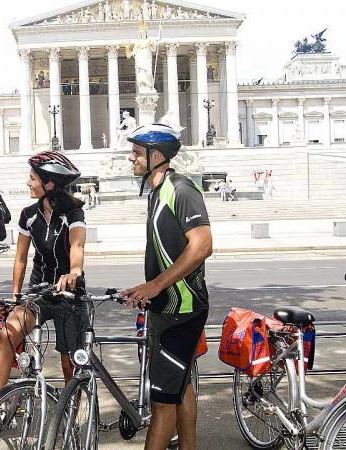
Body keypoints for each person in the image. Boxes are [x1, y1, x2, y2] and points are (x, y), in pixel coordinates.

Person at [122, 122, 212, 450]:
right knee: (180, 387)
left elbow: (202, 244)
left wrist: (157, 286)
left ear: (155, 155)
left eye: (135, 153)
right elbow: (168, 252)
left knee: (162, 404)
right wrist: (145, 288)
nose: (130, 158)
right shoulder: (157, 192)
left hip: (181, 311)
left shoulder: (181, 188)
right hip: (168, 308)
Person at [0, 151, 88, 398]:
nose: (28, 183)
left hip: (68, 293)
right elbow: (21, 258)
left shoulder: (73, 213)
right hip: (39, 291)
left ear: (49, 184)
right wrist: (15, 295)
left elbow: (77, 245)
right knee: (7, 334)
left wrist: (74, 272)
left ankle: (71, 414)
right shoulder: (28, 215)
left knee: (69, 362)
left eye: (32, 178)